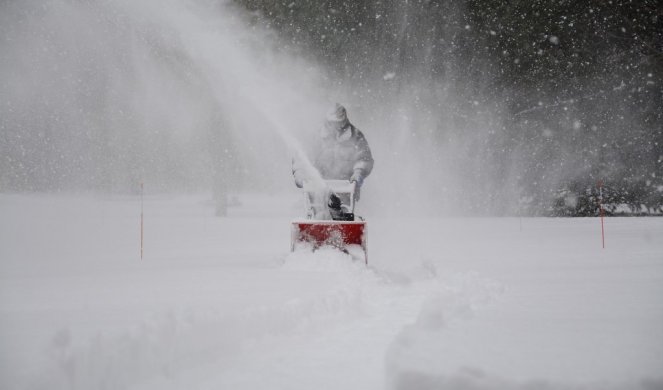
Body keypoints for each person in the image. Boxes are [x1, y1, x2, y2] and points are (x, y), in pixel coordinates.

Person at [292, 103, 374, 202]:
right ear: (328, 122)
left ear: (345, 120)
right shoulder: (315, 136)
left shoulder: (355, 136)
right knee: (319, 214)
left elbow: (364, 158)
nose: (338, 127)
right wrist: (300, 174)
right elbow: (302, 158)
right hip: (318, 189)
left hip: (346, 189)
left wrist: (358, 174)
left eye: (340, 123)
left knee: (343, 214)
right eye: (334, 123)